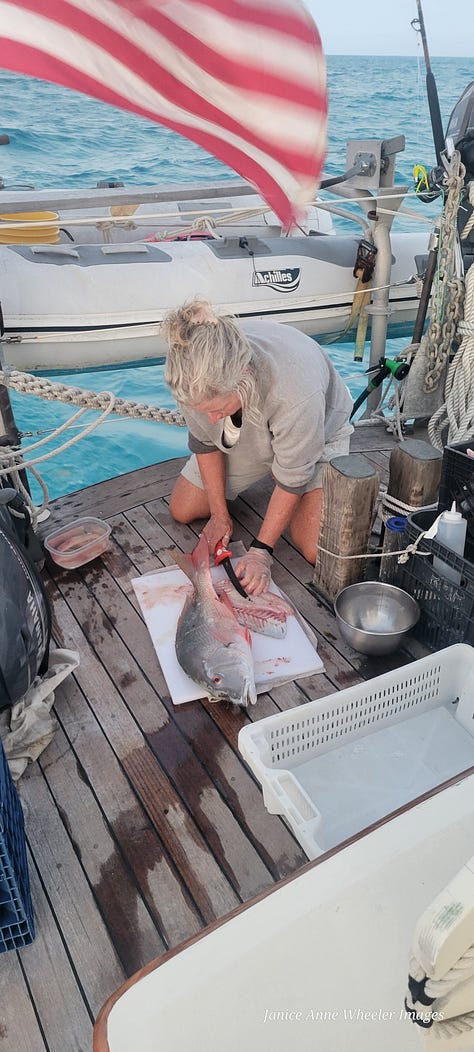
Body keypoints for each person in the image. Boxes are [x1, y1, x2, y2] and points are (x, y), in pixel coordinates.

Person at [163, 300, 353, 595]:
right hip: (245, 422)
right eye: (202, 410)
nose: (209, 419)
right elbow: (204, 442)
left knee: (315, 547)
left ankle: (299, 483)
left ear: (243, 380)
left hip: (319, 430)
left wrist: (261, 550)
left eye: (216, 409)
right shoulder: (191, 378)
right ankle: (270, 469)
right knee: (183, 509)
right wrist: (219, 515)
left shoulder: (295, 394)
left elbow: (292, 476)